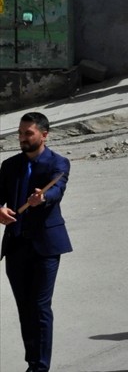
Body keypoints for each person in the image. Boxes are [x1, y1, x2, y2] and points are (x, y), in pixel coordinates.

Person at [0, 112, 71, 372]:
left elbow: (57, 189)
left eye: (28, 133)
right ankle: (32, 362)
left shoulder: (58, 163)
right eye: (20, 133)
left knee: (40, 306)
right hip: (16, 245)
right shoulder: (9, 165)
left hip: (46, 247)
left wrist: (43, 198)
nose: (22, 138)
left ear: (44, 134)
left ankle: (40, 367)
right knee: (24, 308)